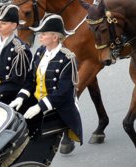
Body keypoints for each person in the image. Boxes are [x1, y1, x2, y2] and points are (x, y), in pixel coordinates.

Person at [10, 13, 82, 145]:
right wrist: (21, 96)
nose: (39, 36)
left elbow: (63, 93)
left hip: (56, 109)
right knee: (12, 123)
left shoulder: (68, 59)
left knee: (35, 143)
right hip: (37, 101)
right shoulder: (40, 52)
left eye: (43, 33)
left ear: (55, 37)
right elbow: (31, 79)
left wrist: (39, 107)